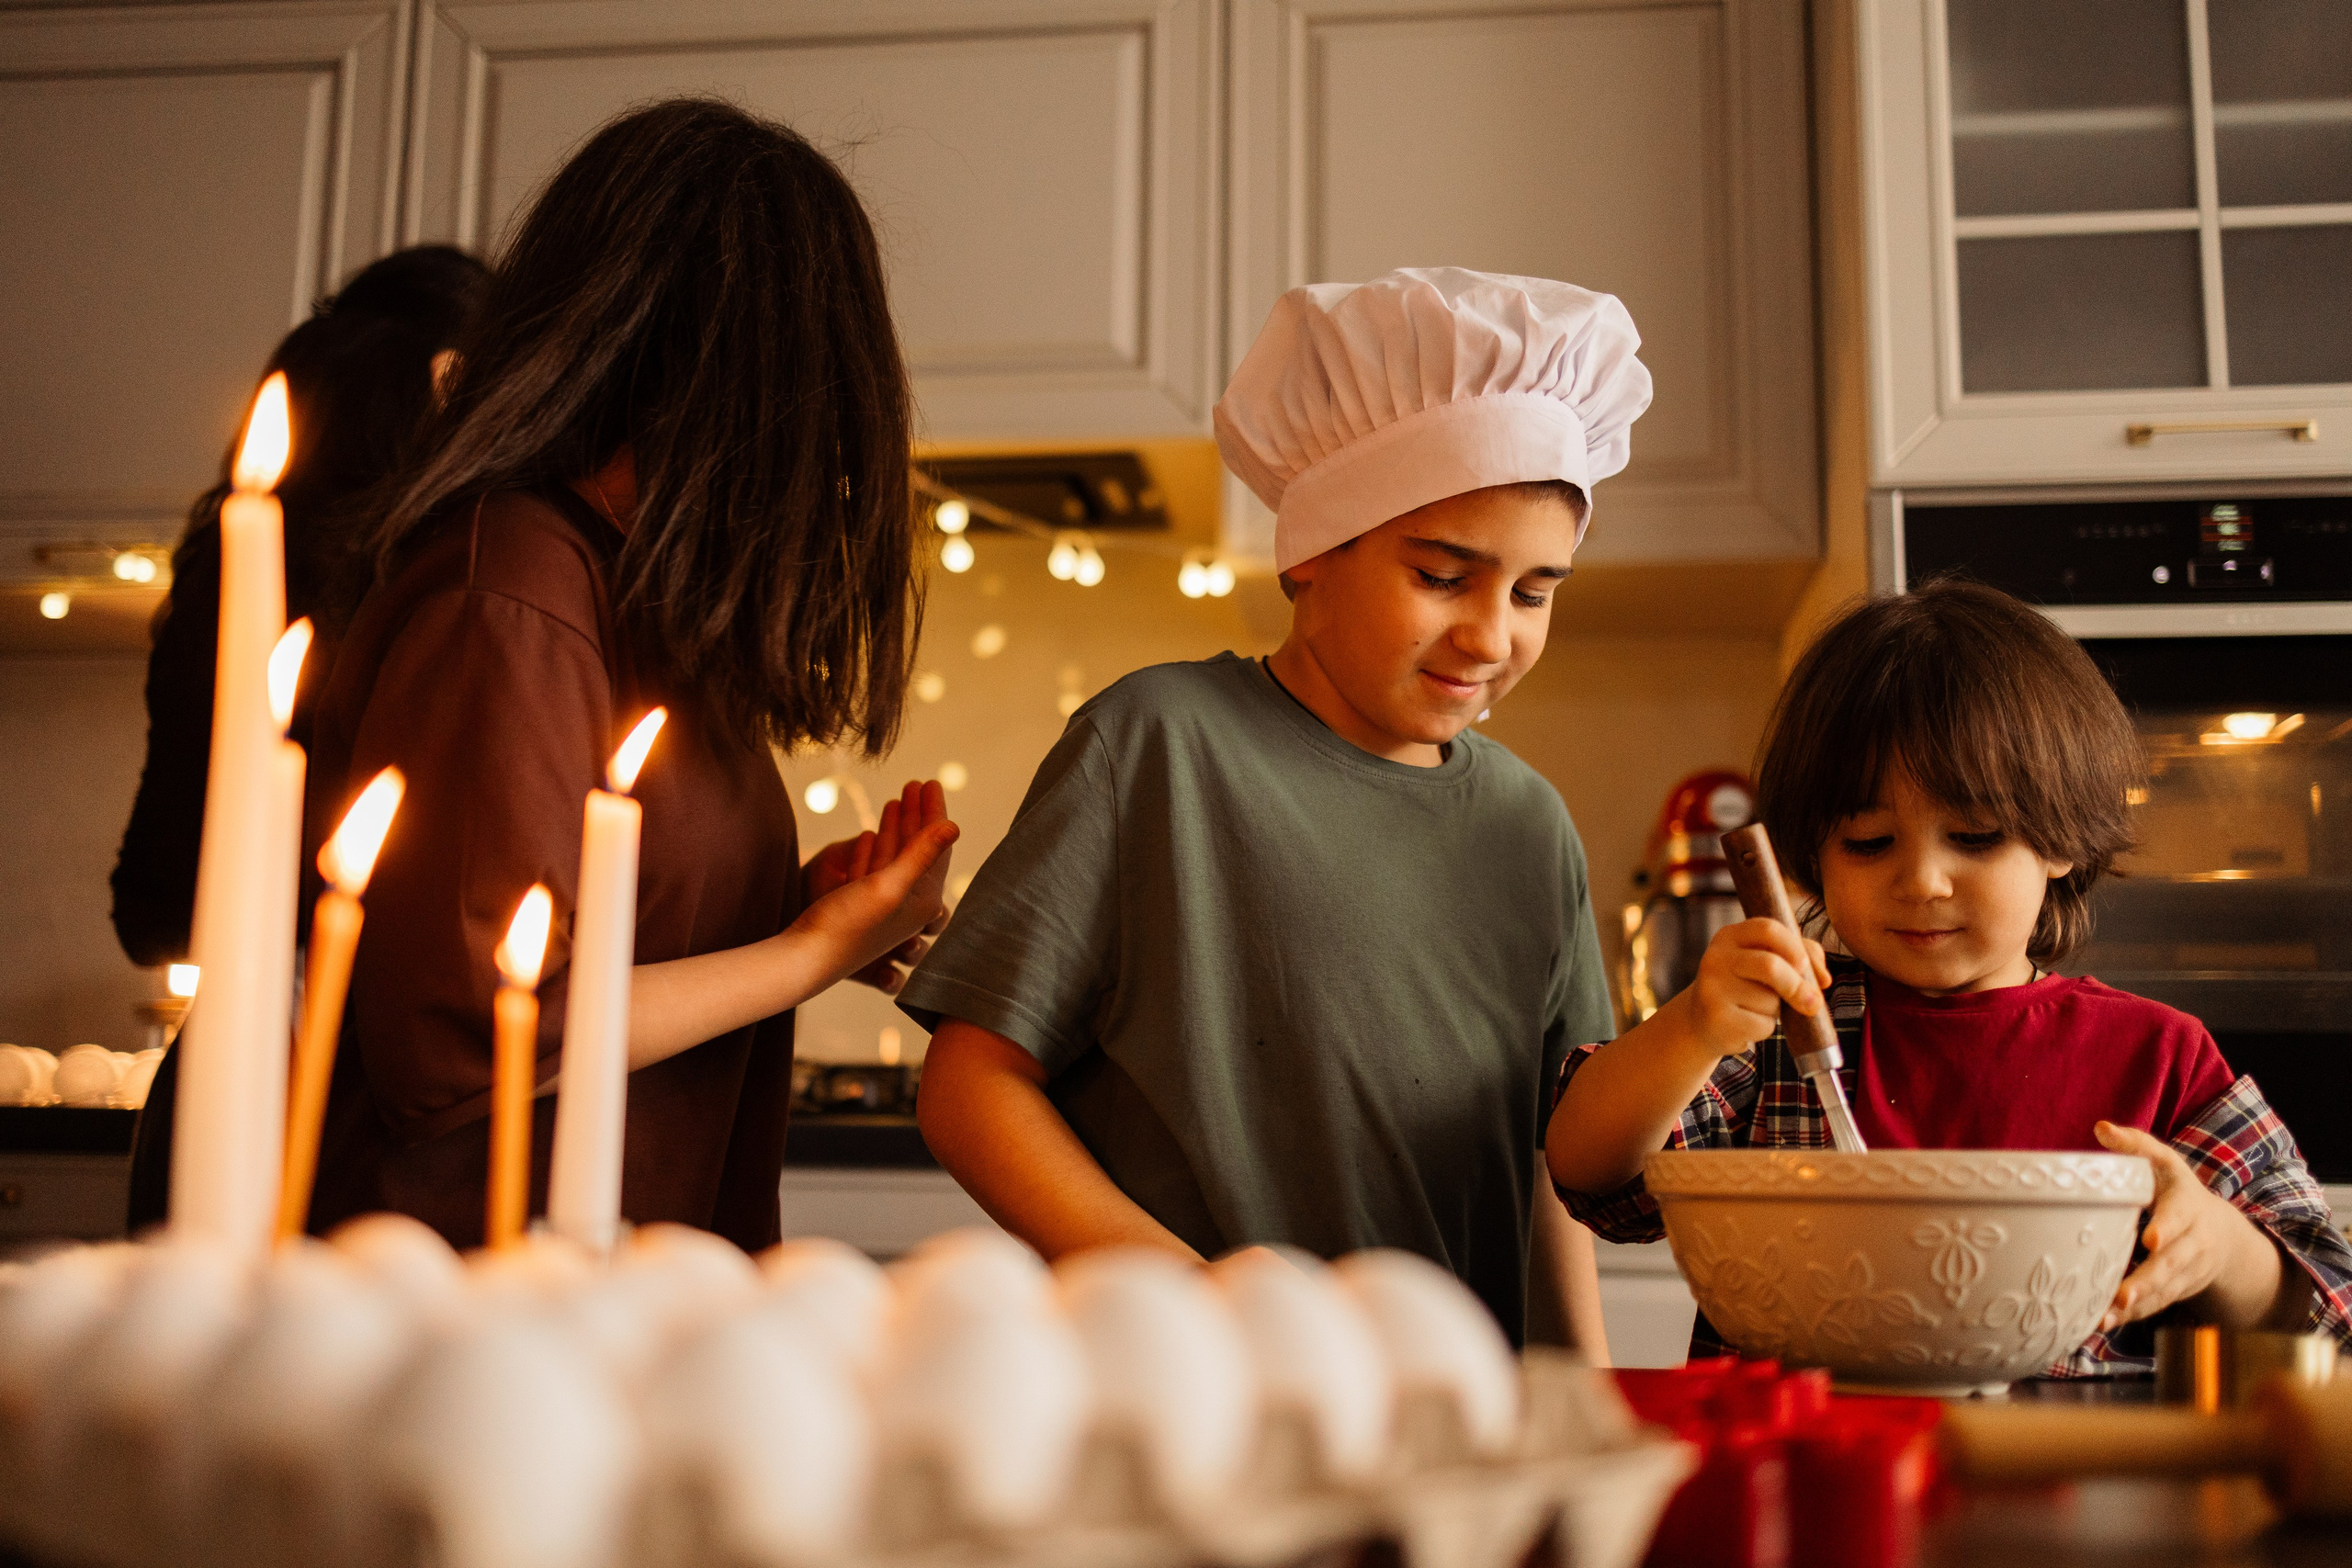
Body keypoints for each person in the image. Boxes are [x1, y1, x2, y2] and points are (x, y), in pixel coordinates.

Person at [907, 268, 1652, 1349]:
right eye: (1444, 577)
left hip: (1454, 1422)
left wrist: (1576, 1386)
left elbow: (1548, 1159)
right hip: (1191, 1399)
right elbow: (971, 1089)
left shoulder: (1529, 828)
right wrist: (1205, 1301)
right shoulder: (1159, 746)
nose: (1493, 637)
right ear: (1309, 554)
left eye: (1535, 593)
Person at [298, 98, 955, 1249]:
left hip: (595, 1295)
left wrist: (801, 911)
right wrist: (807, 956)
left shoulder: (636, 602)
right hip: (444, 1310)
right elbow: (478, 1033)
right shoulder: (510, 590)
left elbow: (604, 933)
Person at [1546, 579, 2352, 1373]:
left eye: (1973, 834)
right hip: (1817, 1479)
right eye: (1868, 841)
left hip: (2078, 1485)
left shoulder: (2159, 1056)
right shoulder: (1787, 1029)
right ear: (1813, 857)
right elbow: (1592, 1178)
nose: (1923, 880)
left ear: (2061, 837)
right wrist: (1694, 1025)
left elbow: (2326, 1306)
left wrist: (2218, 1248)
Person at [110, 245, 490, 967]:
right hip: (354, 1050)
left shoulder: (227, 579)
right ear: (441, 382)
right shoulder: (445, 598)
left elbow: (155, 909)